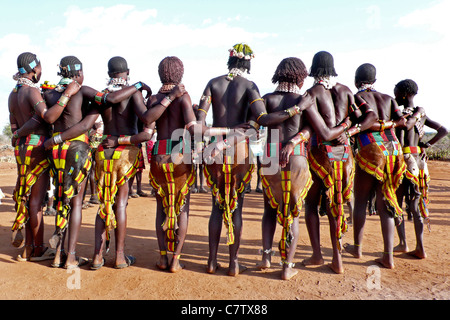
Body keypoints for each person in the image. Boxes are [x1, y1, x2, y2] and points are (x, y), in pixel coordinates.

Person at [197, 43, 312, 276]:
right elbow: (260, 120)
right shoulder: (250, 86)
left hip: (215, 151)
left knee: (216, 207)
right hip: (240, 149)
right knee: (236, 207)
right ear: (248, 63)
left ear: (230, 60)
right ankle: (234, 264)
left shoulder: (212, 84)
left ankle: (211, 262)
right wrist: (295, 110)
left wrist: (215, 139)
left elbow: (199, 124)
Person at [257, 57, 352, 279]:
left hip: (270, 156)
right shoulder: (304, 99)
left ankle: (266, 257)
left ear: (278, 73)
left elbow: (261, 122)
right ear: (300, 76)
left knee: (269, 209)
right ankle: (287, 267)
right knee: (293, 213)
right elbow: (313, 128)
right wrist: (294, 141)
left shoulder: (267, 98)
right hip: (296, 157)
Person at [299, 52, 375, 274]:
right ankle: (337, 259)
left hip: (320, 155)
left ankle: (317, 255)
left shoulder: (310, 94)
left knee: (311, 204)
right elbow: (369, 116)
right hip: (344, 155)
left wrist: (344, 129)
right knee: (337, 204)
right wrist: (350, 127)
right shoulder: (345, 91)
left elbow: (323, 132)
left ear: (313, 69)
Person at [9, 52, 81, 262]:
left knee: (26, 192)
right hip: (37, 146)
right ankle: (38, 249)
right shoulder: (32, 91)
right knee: (36, 200)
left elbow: (14, 125)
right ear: (34, 68)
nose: (41, 71)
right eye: (40, 68)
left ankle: (28, 248)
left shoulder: (13, 94)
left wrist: (18, 134)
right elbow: (46, 117)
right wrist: (67, 94)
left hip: (21, 148)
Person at [344, 63, 409, 269]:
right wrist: (390, 124)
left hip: (370, 149)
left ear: (356, 81)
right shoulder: (389, 99)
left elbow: (362, 124)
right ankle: (388, 256)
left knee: (361, 199)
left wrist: (378, 125)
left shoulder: (356, 98)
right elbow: (403, 123)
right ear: (375, 81)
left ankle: (357, 247)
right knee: (386, 199)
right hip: (394, 150)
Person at [393, 79, 448, 258]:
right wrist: (426, 145)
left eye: (396, 92)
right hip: (419, 160)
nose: (394, 95)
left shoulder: (400, 114)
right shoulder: (420, 113)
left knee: (396, 203)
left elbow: (407, 127)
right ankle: (420, 247)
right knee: (415, 206)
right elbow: (443, 131)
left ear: (403, 94)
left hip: (403, 160)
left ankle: (402, 243)